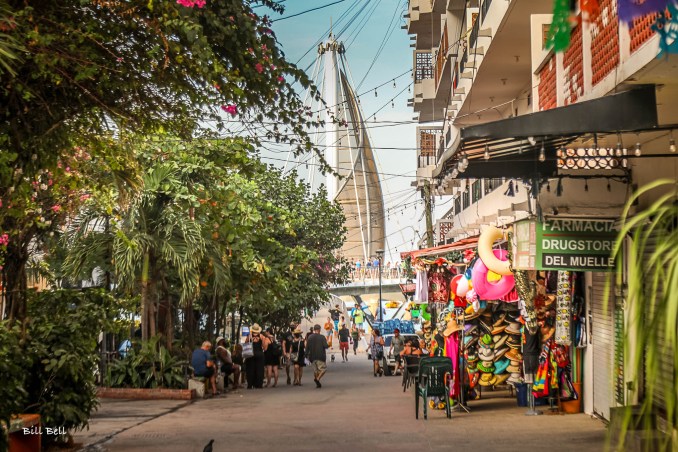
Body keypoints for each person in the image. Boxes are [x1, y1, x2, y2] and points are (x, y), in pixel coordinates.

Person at [244, 323, 269, 389]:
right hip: (259, 354)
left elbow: (246, 344)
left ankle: (250, 384)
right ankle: (258, 385)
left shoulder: (249, 336)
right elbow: (265, 347)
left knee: (250, 369)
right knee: (259, 369)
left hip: (250, 354)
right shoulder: (262, 336)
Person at [305, 324, 329, 388]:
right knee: (323, 369)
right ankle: (317, 379)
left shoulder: (310, 337)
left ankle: (317, 384)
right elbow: (326, 346)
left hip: (312, 357)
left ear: (314, 330)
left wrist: (306, 355)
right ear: (319, 330)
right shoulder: (322, 337)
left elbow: (307, 347)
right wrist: (328, 344)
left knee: (315, 370)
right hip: (320, 356)